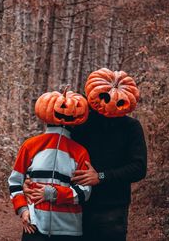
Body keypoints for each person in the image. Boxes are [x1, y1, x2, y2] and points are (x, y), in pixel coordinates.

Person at [25, 68, 147, 241]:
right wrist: (32, 180)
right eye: (103, 97)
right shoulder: (78, 121)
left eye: (114, 100)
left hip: (111, 208)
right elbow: (56, 154)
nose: (106, 103)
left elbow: (139, 168)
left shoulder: (131, 127)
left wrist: (100, 177)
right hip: (74, 204)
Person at [8, 88, 92, 241]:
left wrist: (53, 193)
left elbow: (84, 192)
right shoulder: (30, 146)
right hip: (34, 226)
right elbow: (15, 182)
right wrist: (23, 210)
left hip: (69, 230)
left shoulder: (80, 152)